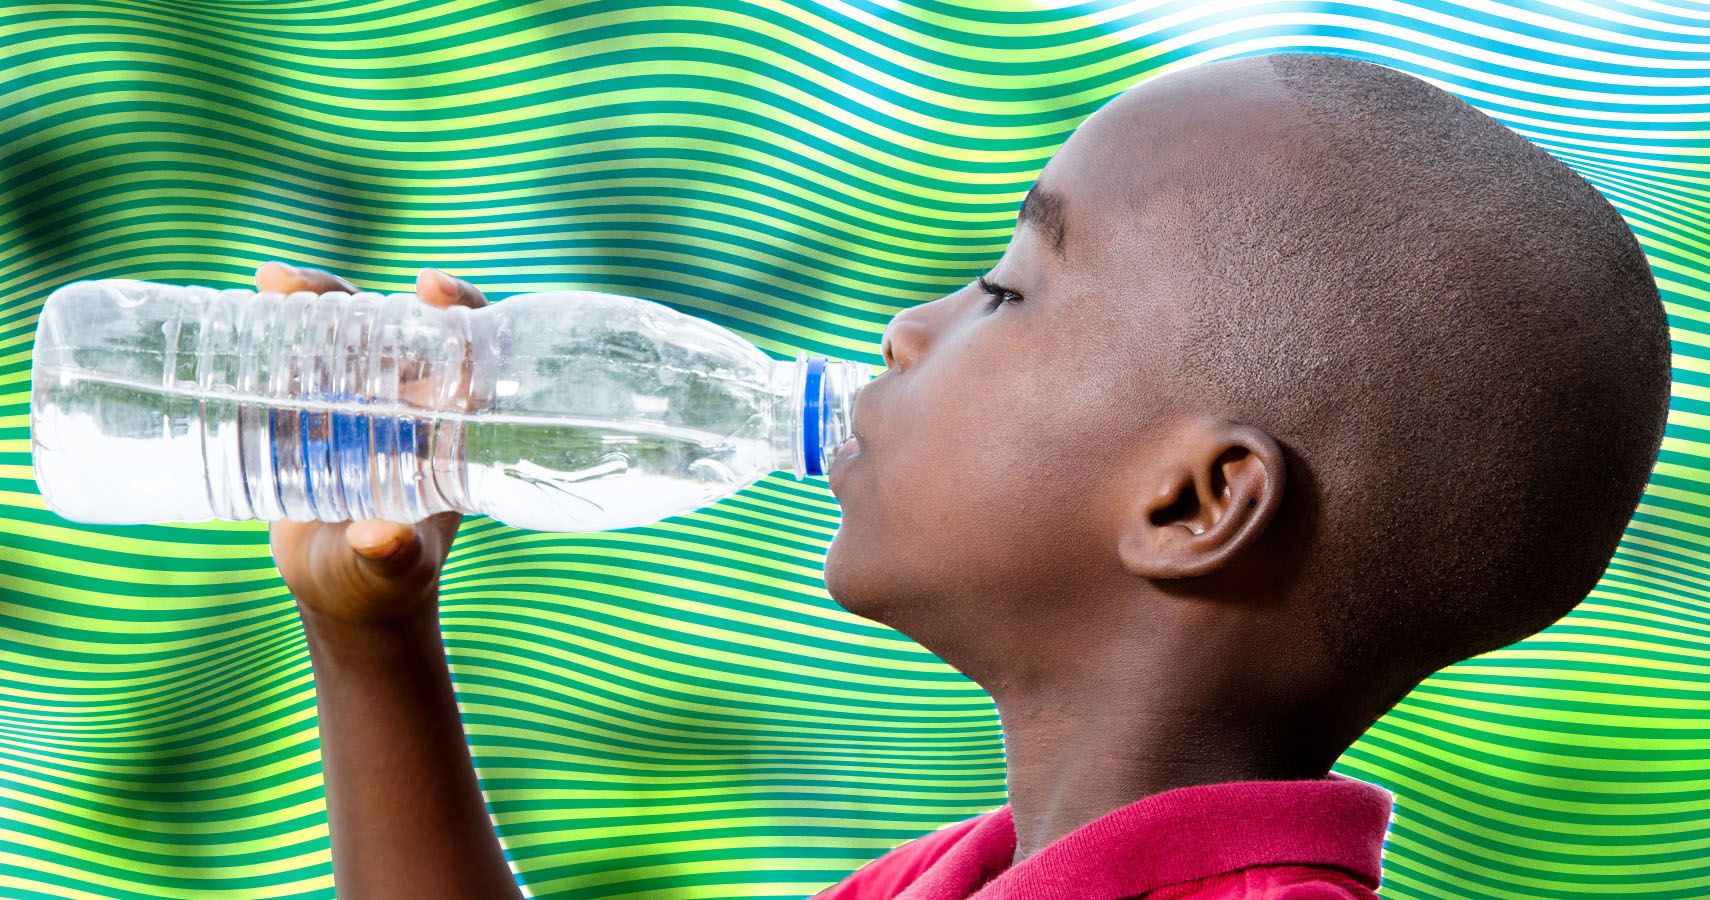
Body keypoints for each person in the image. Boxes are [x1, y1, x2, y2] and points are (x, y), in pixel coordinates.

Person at [259, 52, 1671, 899]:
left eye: (1005, 291)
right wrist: (371, 638)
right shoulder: (952, 874)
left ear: (1190, 505)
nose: (908, 328)